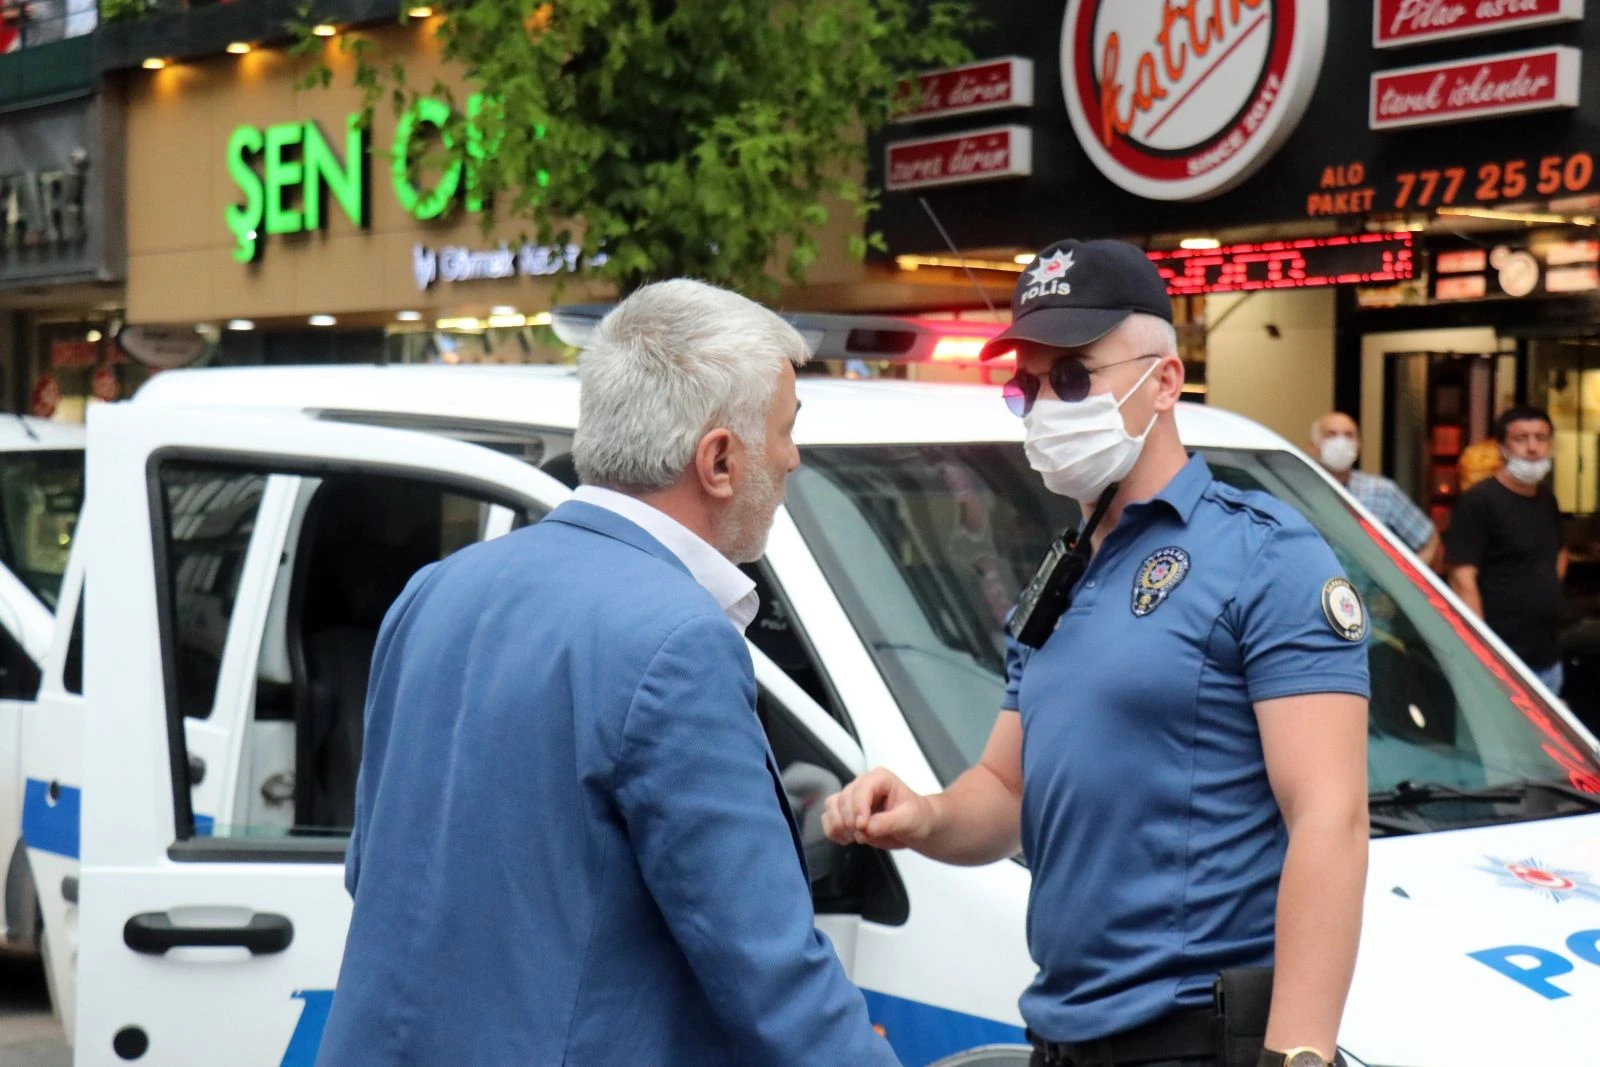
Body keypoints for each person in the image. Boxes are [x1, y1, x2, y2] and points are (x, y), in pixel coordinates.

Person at [317, 280, 900, 1066]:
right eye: (787, 430)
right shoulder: (679, 640)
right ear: (719, 459)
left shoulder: (437, 589)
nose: (794, 455)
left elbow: (377, 874)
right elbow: (766, 966)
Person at [824, 239, 1370, 1067]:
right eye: (1028, 387)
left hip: (1192, 1039)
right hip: (1062, 1034)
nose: (1047, 406)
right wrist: (923, 815)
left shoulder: (1265, 556)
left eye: (1073, 377)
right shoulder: (1064, 573)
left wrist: (1299, 1054)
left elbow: (1329, 818)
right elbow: (1006, 788)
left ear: (1165, 380)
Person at [1446, 405, 1568, 695]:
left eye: (1541, 438)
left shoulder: (1546, 499)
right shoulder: (1479, 502)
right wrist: (1483, 653)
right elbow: (1462, 578)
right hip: (1500, 663)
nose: (1533, 448)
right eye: (1521, 439)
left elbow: (1559, 554)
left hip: (1546, 658)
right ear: (1502, 447)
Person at [1310, 412, 1440, 567]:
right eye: (1331, 435)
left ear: (1359, 446)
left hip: (1367, 591)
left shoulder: (1381, 491)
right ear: (1313, 446)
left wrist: (1400, 584)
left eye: (1349, 435)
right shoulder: (1295, 490)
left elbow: (1429, 541)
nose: (1341, 442)